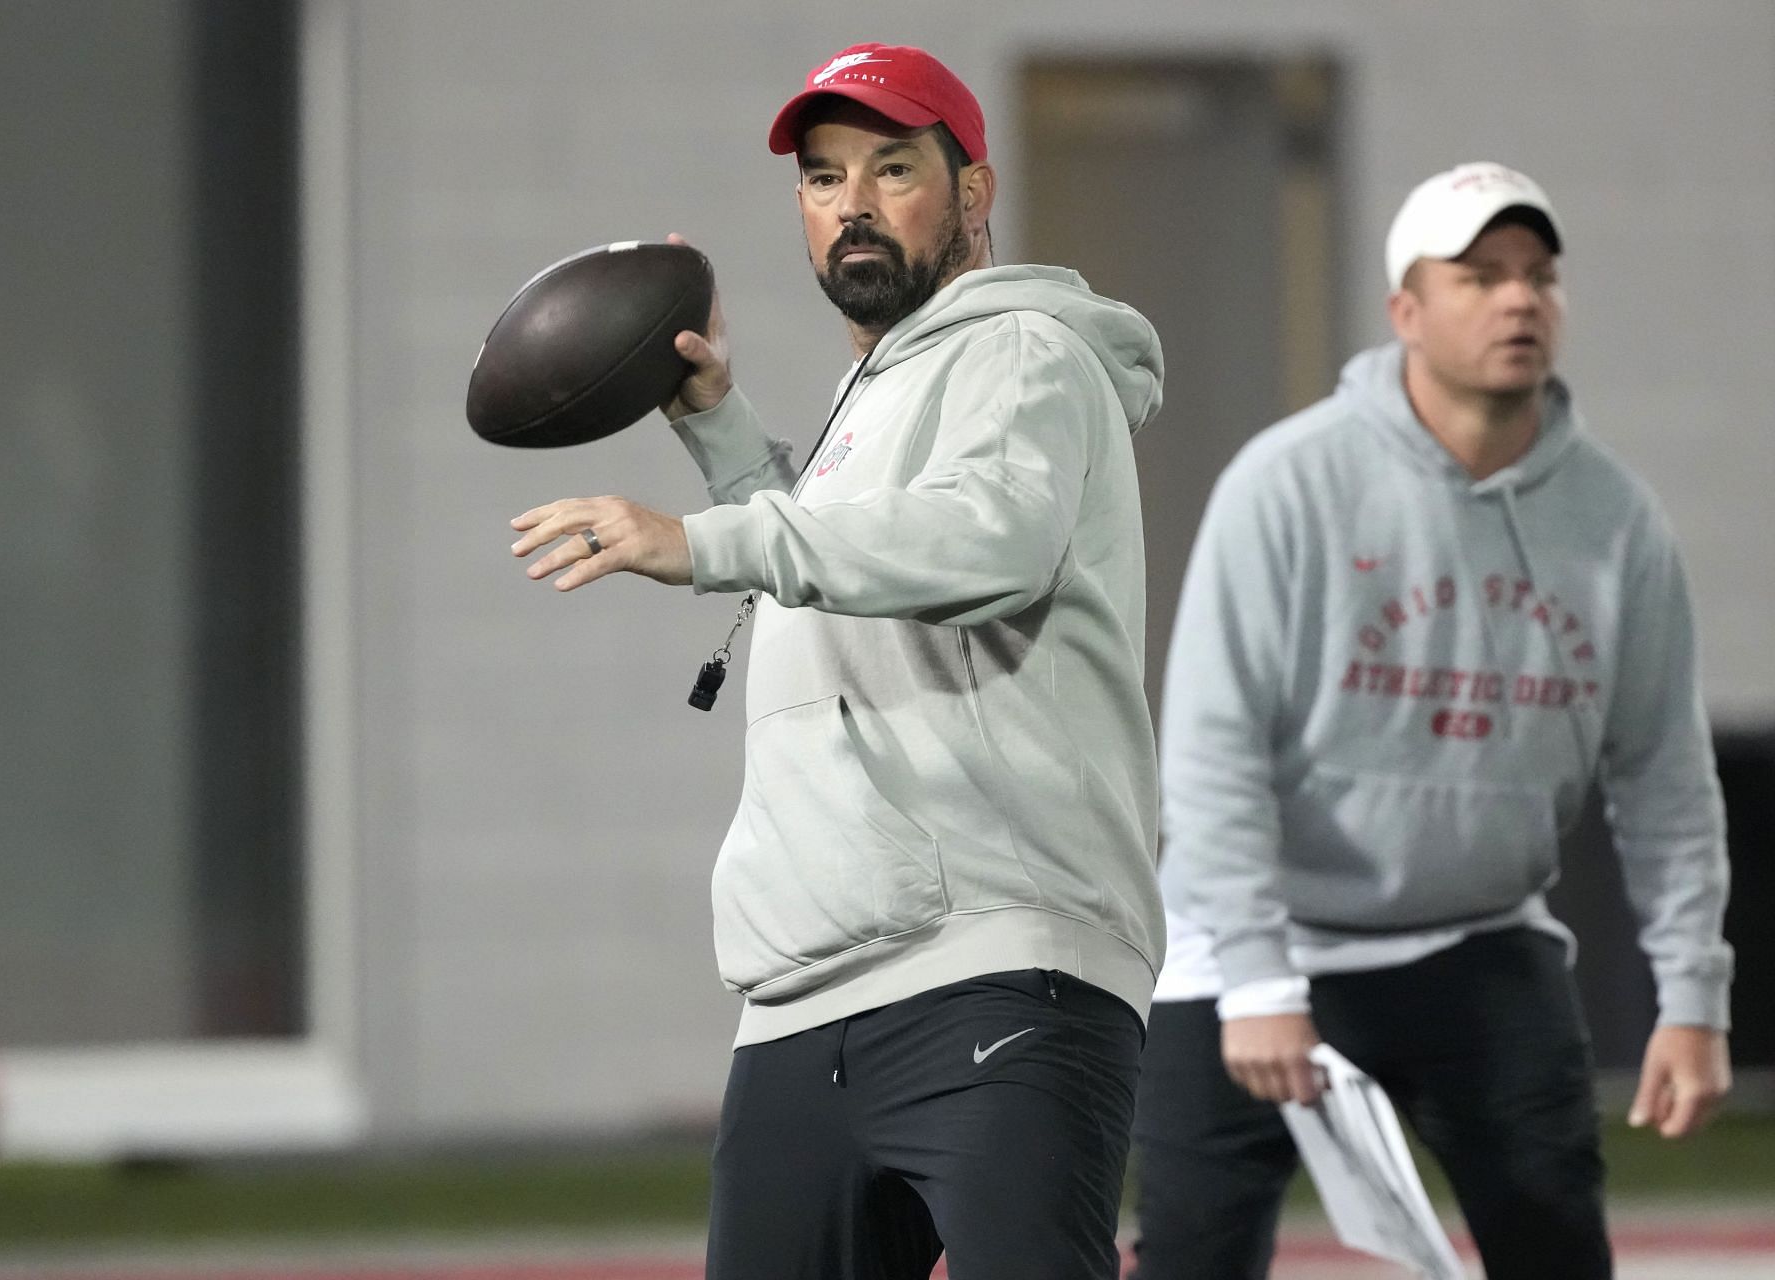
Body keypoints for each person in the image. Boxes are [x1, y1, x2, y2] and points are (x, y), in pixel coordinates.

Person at [511, 41, 1164, 1280]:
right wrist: (716, 427)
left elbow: (985, 542)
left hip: (999, 963)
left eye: (892, 168)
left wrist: (699, 538)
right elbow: (838, 565)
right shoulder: (878, 388)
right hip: (807, 992)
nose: (850, 203)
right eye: (821, 178)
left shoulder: (1025, 353)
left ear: (973, 194)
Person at [1128, 162, 1733, 1280]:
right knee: (1191, 1260)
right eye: (1482, 276)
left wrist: (1692, 996)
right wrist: (1261, 978)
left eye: (1539, 276)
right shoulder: (1289, 483)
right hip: (1254, 949)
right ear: (1406, 309)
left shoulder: (1616, 519)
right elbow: (1215, 751)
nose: (1520, 300)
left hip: (1478, 938)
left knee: (1557, 1250)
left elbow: (1664, 779)